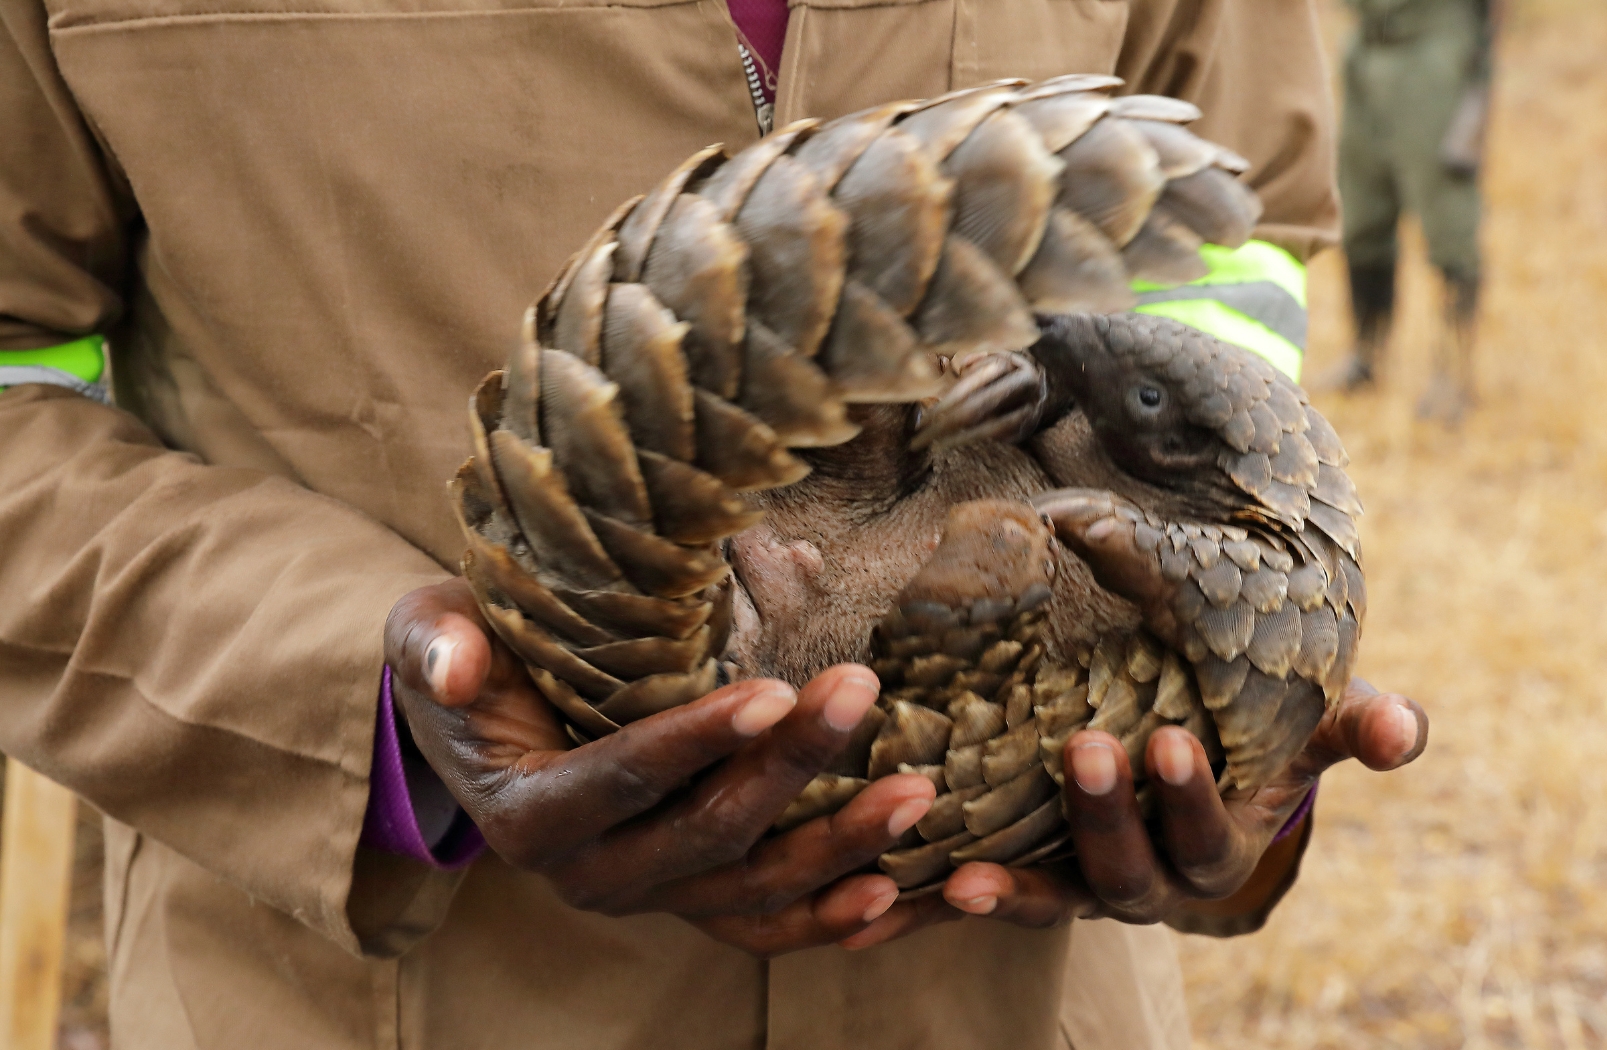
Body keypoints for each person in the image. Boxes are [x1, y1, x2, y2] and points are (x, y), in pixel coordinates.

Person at [0, 0, 1426, 1045]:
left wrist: (1224, 668)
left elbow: (1227, 244)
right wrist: (362, 701)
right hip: (377, 990)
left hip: (1011, 976)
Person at [1326, 0, 1503, 424]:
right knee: (1361, 214)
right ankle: (1367, 356)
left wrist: (1481, 68)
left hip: (1434, 50)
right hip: (1365, 44)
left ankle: (1454, 373)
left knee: (1448, 221)